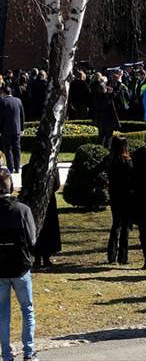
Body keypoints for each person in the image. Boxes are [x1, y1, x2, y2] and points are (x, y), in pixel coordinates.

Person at [0, 168, 35, 361]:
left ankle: (6, 354)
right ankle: (29, 353)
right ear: (11, 187)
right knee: (27, 309)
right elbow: (32, 238)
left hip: (0, 269)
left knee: (3, 313)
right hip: (20, 266)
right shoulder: (22, 210)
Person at [105, 136, 134, 265]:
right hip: (126, 195)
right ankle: (123, 256)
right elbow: (133, 177)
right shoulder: (127, 161)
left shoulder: (109, 160)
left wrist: (105, 181)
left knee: (116, 224)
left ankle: (111, 255)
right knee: (125, 227)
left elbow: (95, 171)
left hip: (114, 194)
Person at [0, 87, 25, 173]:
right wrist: (22, 128)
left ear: (3, 92)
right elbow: (22, 115)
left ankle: (10, 168)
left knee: (8, 149)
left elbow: (1, 117)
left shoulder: (2, 101)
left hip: (6, 130)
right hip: (17, 129)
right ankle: (17, 167)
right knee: (17, 148)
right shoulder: (18, 100)